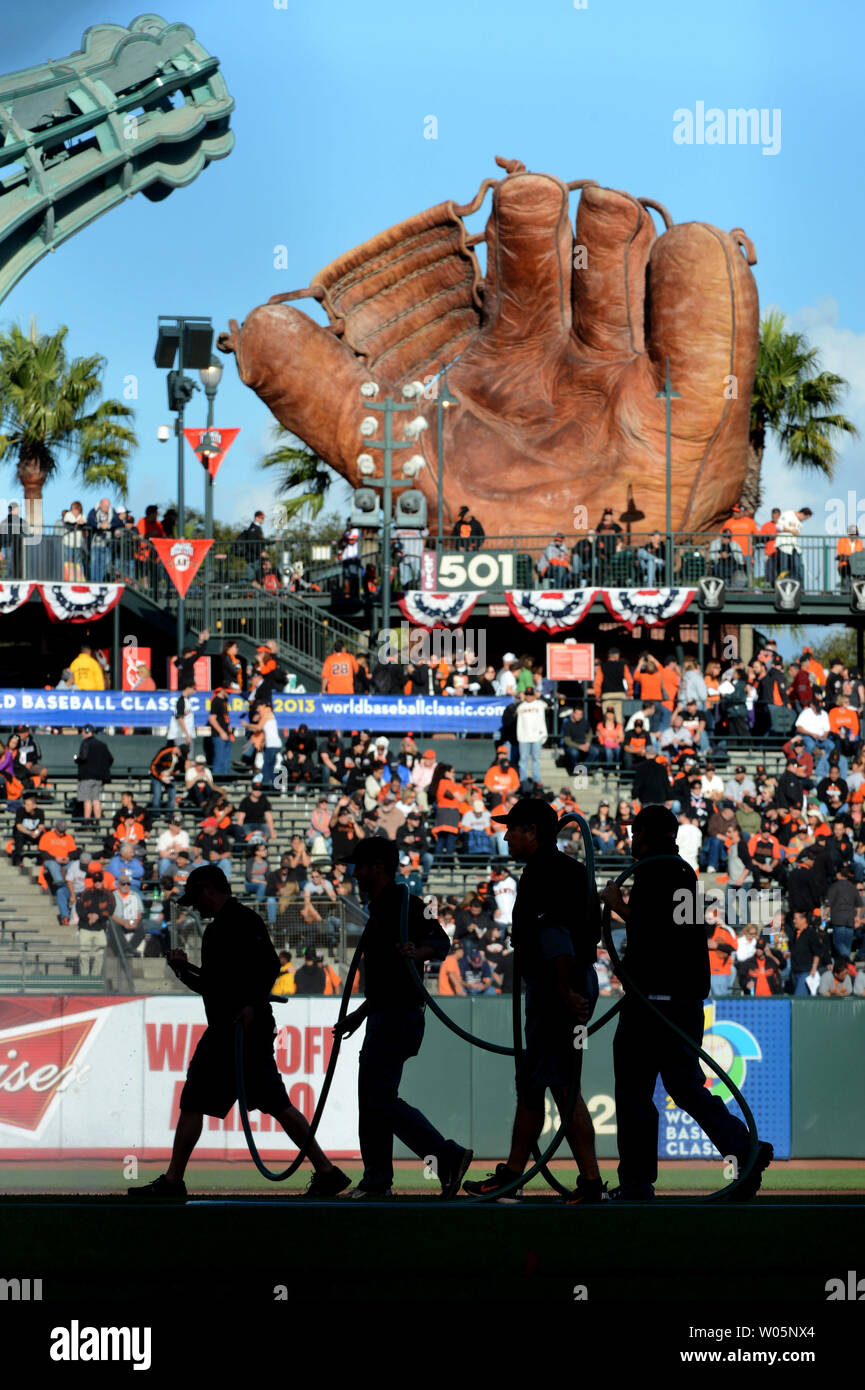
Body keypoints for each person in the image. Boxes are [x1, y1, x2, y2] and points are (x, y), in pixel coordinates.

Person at [130, 864, 351, 1201]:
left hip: (241, 1033)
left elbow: (269, 966)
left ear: (208, 890)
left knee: (209, 1101)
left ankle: (174, 1182)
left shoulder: (241, 921)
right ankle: (326, 1172)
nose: (195, 906)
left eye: (197, 898)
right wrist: (181, 970)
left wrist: (250, 1004)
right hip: (228, 1031)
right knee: (264, 1103)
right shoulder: (218, 929)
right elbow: (213, 988)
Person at [602, 804, 773, 1200]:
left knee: (634, 1094)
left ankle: (636, 1185)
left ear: (649, 834)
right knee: (687, 1087)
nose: (631, 839)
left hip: (651, 1004)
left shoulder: (654, 871)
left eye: (635, 832)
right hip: (681, 1003)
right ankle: (744, 1150)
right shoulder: (684, 872)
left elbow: (652, 930)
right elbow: (678, 933)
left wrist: (615, 904)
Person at [463, 797, 603, 1204]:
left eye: (513, 829)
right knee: (538, 1084)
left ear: (533, 832)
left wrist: (564, 991)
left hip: (558, 988)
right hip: (565, 984)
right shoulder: (570, 871)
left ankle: (586, 1183)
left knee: (560, 1087)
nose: (506, 835)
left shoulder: (544, 873)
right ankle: (512, 1176)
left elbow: (555, 935)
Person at [333, 838, 473, 1199]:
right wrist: (359, 1016)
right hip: (386, 1014)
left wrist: (417, 951)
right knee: (374, 1099)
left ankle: (444, 1156)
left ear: (378, 868)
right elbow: (386, 983)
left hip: (399, 1016)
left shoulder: (410, 905)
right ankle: (379, 1179)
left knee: (377, 1100)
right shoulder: (380, 910)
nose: (355, 873)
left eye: (360, 867)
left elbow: (441, 942)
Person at [74, 726, 113, 822]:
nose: (82, 734)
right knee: (96, 799)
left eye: (83, 731)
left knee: (87, 800)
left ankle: (86, 822)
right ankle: (97, 821)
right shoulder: (102, 744)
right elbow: (110, 759)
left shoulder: (86, 743)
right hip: (98, 777)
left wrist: (76, 759)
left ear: (87, 732)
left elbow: (83, 757)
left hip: (87, 776)